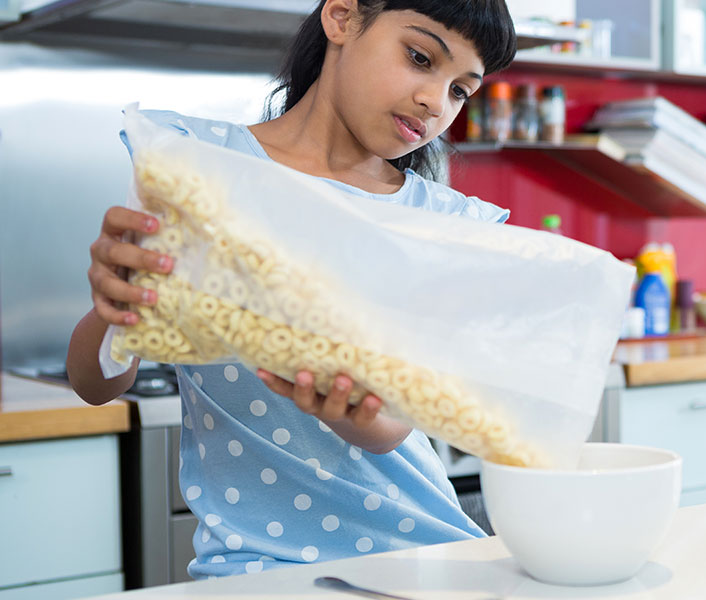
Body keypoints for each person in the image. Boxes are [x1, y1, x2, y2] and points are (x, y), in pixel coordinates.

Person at [66, 0, 516, 579]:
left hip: (424, 554)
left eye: (461, 90)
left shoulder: (442, 225)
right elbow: (95, 383)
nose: (435, 101)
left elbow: (390, 430)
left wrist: (338, 394)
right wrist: (112, 307)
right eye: (419, 57)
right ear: (343, 18)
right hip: (249, 567)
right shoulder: (195, 162)